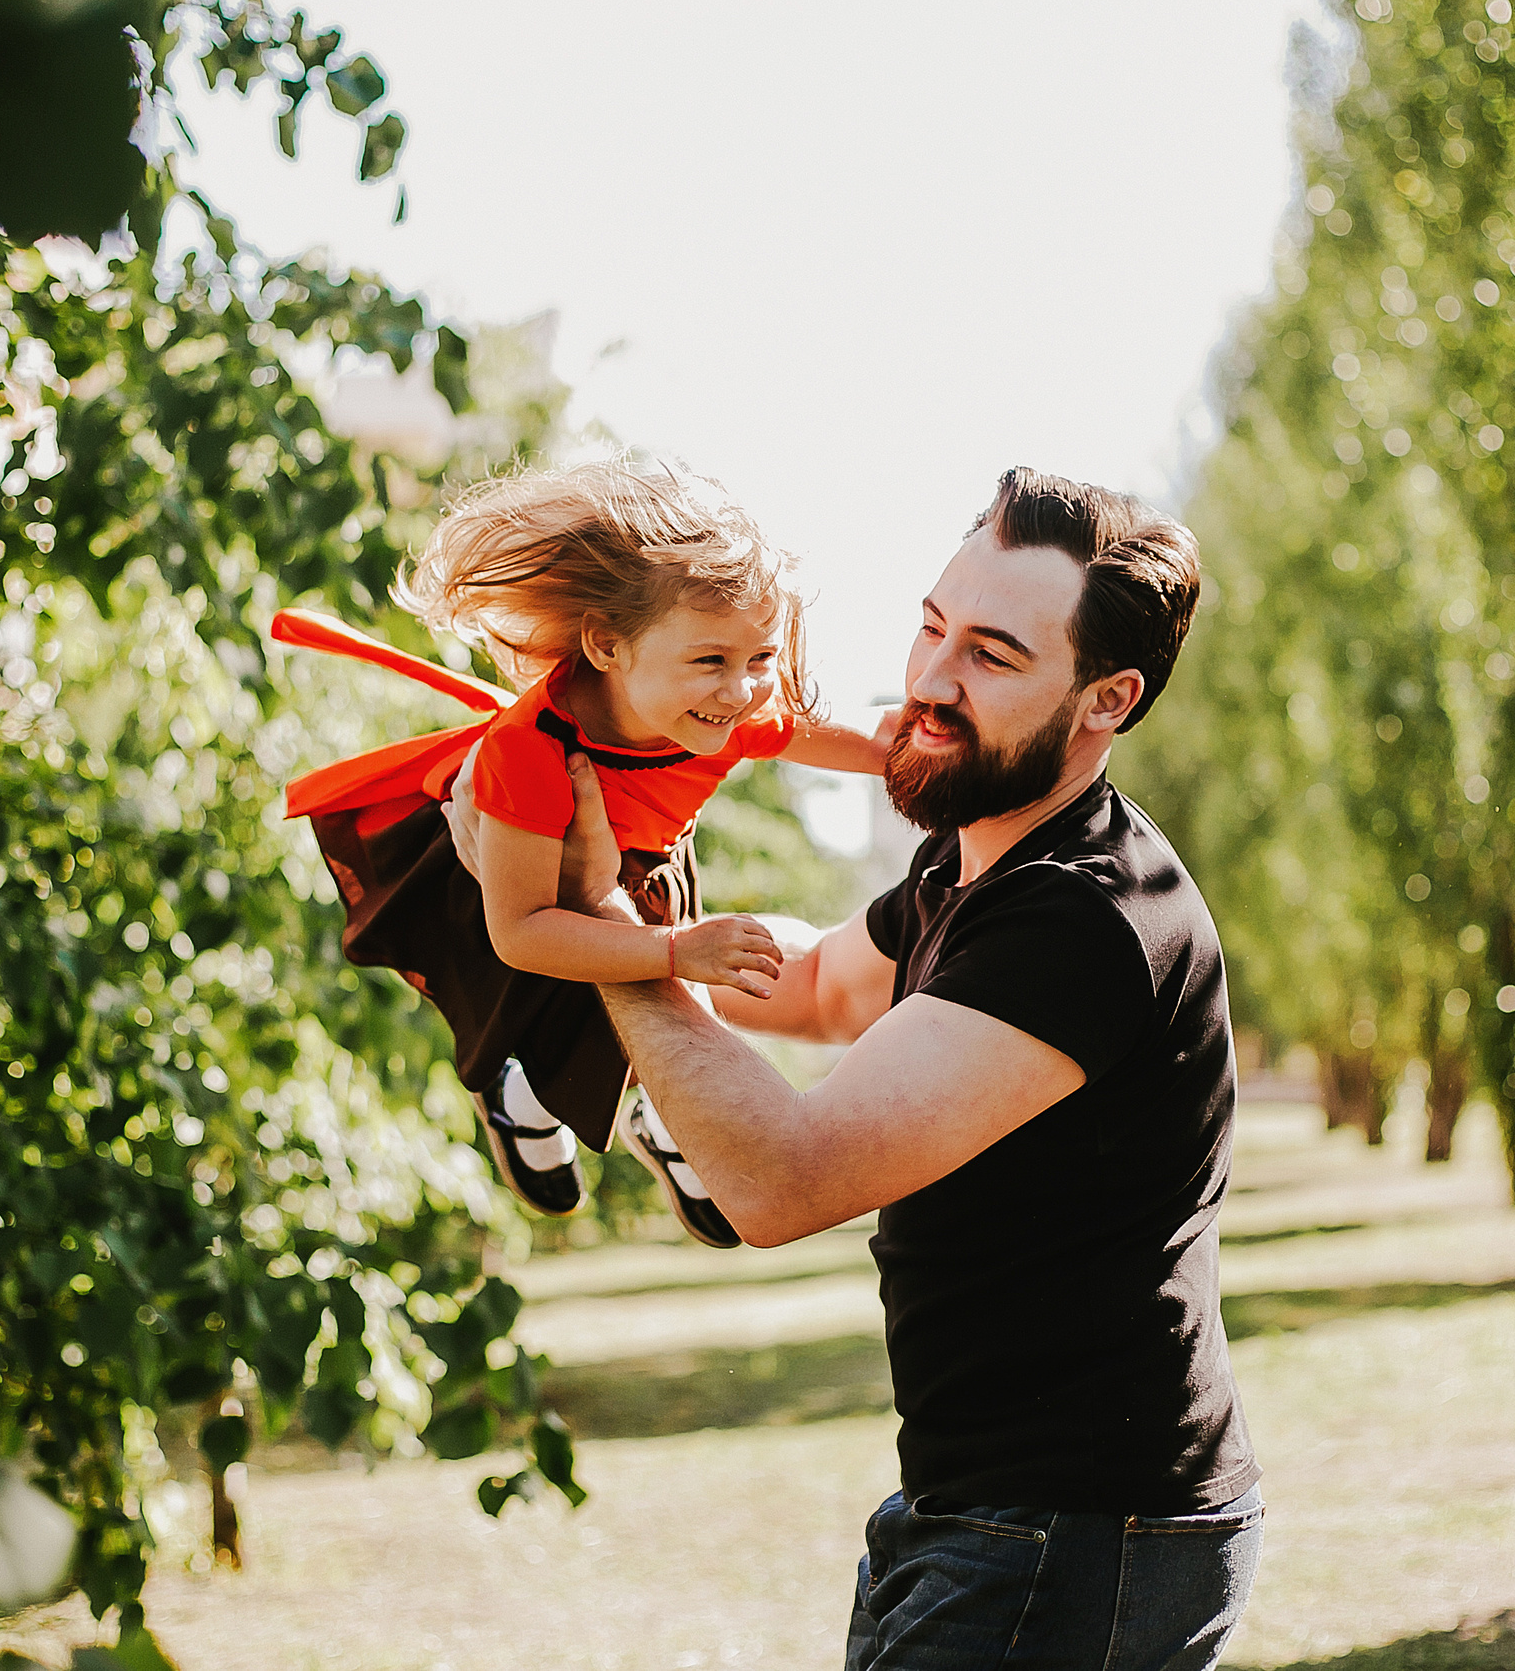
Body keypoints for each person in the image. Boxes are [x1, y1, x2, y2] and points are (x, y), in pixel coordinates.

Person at [451, 467, 1262, 1670]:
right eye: (932, 627)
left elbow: (779, 1180)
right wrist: (640, 910)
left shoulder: (1082, 920)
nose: (929, 679)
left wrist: (602, 922)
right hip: (984, 1503)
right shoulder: (973, 866)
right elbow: (820, 984)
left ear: (1108, 698)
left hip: (1080, 1525)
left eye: (990, 654)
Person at [282, 459, 886, 1245]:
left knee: (667, 1014)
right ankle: (520, 1096)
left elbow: (868, 743)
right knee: (576, 1014)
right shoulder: (531, 754)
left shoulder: (728, 713)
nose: (741, 691)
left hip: (645, 873)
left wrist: (942, 748)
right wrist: (675, 950)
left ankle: (660, 1118)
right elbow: (523, 932)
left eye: (761, 659)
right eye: (711, 660)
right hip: (511, 887)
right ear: (607, 645)